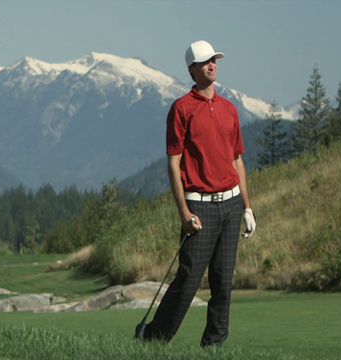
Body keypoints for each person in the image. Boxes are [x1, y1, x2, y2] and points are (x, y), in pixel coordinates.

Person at [137, 40, 256, 347]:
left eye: (214, 59)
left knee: (223, 284)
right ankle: (153, 341)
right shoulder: (181, 109)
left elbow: (237, 160)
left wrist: (247, 208)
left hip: (230, 205)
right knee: (188, 281)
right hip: (199, 208)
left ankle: (213, 346)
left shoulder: (230, 109)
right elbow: (174, 165)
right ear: (192, 69)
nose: (211, 65)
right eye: (204, 61)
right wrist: (184, 213)